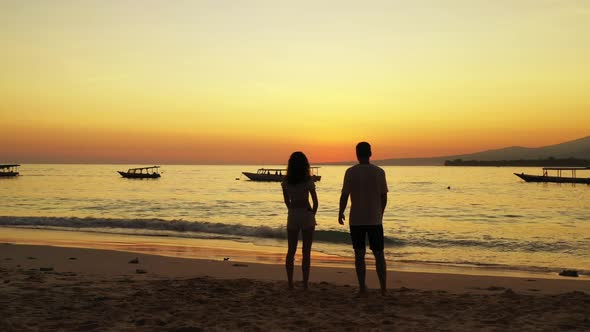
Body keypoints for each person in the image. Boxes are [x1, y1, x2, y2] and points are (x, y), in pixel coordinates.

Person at [338, 142, 388, 295]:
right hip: (374, 219)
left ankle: (362, 287)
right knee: (379, 254)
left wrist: (340, 212)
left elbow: (344, 195)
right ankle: (383, 289)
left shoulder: (350, 172)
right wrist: (381, 212)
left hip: (357, 219)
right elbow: (383, 196)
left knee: (359, 254)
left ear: (357, 154)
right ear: (370, 153)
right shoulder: (379, 172)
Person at [282, 151, 318, 290]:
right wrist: (312, 214)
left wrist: (291, 210)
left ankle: (290, 283)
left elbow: (286, 201)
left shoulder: (286, 181)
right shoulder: (308, 180)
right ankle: (305, 284)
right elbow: (315, 202)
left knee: (291, 250)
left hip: (293, 214)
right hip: (306, 213)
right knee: (306, 251)